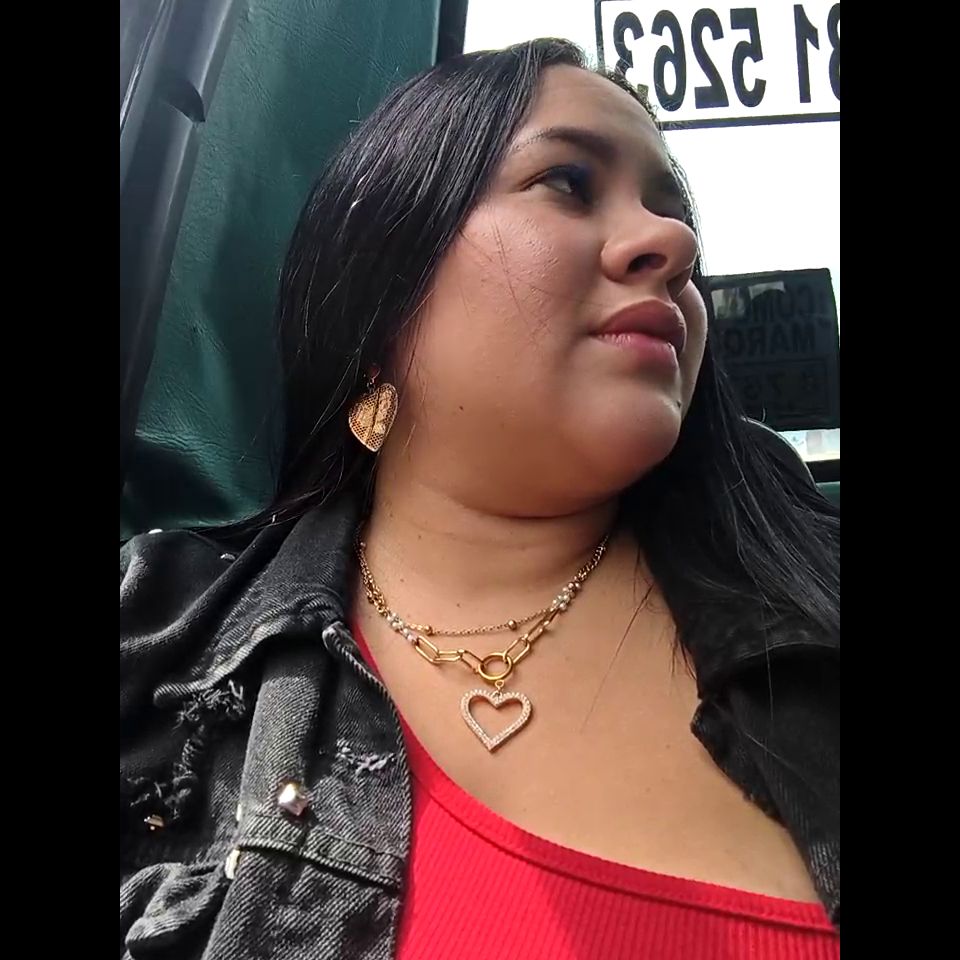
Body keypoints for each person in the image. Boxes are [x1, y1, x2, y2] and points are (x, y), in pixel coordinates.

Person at [120, 38, 839, 960]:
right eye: (568, 183)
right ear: (382, 286)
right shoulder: (156, 641)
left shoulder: (814, 586)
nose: (675, 245)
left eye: (671, 211)